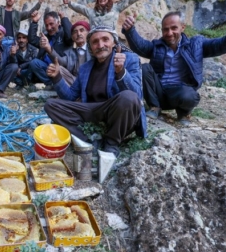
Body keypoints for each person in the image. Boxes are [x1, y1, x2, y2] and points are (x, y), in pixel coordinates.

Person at [122, 2, 226, 126]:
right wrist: (130, 30)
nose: (169, 33)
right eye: (165, 30)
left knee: (189, 95)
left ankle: (183, 113)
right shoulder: (157, 46)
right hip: (158, 92)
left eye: (174, 28)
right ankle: (155, 107)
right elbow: (140, 47)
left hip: (181, 93)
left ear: (182, 27)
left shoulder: (196, 44)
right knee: (144, 68)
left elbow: (224, 44)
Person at [44, 26, 147, 157]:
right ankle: (90, 140)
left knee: (128, 98)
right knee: (51, 105)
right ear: (90, 47)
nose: (100, 45)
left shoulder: (128, 59)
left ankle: (111, 143)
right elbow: (70, 97)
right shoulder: (85, 68)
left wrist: (121, 72)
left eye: (105, 40)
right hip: (92, 110)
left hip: (115, 111)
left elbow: (136, 96)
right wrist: (57, 77)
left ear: (114, 43)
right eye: (95, 42)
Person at [63, 0, 155, 31]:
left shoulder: (116, 8)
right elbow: (80, 8)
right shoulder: (91, 12)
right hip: (95, 39)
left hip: (111, 39)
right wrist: (70, 3)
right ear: (98, 0)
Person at [27, 11, 73, 89]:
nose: (49, 28)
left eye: (51, 24)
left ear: (58, 23)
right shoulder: (46, 37)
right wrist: (34, 22)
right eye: (47, 25)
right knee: (32, 64)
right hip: (46, 69)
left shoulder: (63, 35)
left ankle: (56, 84)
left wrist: (64, 18)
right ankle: (51, 84)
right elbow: (32, 39)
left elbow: (69, 36)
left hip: (60, 69)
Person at [47, 20, 91, 86]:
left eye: (82, 30)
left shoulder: (93, 49)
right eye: (75, 32)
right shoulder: (70, 52)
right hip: (74, 82)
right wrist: (48, 48)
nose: (78, 34)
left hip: (91, 81)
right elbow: (61, 61)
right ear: (72, 37)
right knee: (57, 69)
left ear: (88, 34)